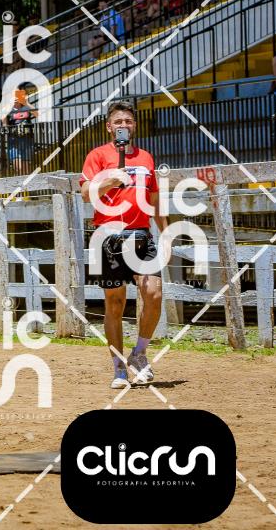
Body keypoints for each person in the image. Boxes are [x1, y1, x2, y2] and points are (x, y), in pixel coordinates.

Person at [80, 101, 168, 389]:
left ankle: (139, 354)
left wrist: (166, 233)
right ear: (109, 127)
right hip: (107, 237)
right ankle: (119, 368)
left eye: (128, 121)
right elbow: (85, 193)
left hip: (142, 236)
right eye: (118, 121)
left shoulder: (146, 157)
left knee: (153, 293)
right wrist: (110, 182)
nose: (123, 125)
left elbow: (154, 200)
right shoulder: (97, 155)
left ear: (134, 126)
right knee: (114, 304)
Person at [4, 85, 37, 175]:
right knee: (18, 167)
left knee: (26, 168)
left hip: (27, 140)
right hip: (14, 141)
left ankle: (27, 183)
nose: (15, 96)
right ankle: (22, 183)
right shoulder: (8, 109)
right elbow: (4, 125)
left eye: (17, 94)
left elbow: (37, 114)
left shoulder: (26, 107)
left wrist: (26, 103)